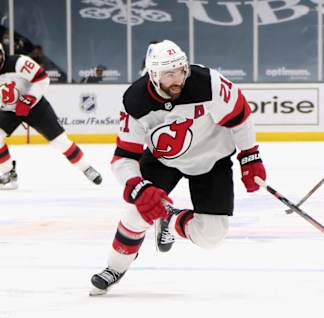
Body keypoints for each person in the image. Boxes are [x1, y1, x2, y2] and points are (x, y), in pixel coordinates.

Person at [89, 40, 266, 295]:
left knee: (212, 236)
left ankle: (168, 218)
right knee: (135, 212)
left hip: (212, 159)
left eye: (180, 71)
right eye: (168, 74)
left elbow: (240, 114)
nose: (177, 79)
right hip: (164, 160)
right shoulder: (135, 101)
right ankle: (115, 267)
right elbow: (123, 158)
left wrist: (250, 156)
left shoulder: (209, 83)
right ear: (153, 74)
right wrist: (138, 188)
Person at [0, 43, 102, 189]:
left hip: (35, 107)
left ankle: (86, 168)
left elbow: (43, 79)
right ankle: (9, 175)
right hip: (9, 110)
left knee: (60, 142)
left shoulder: (19, 62)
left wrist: (28, 99)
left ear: (3, 54)